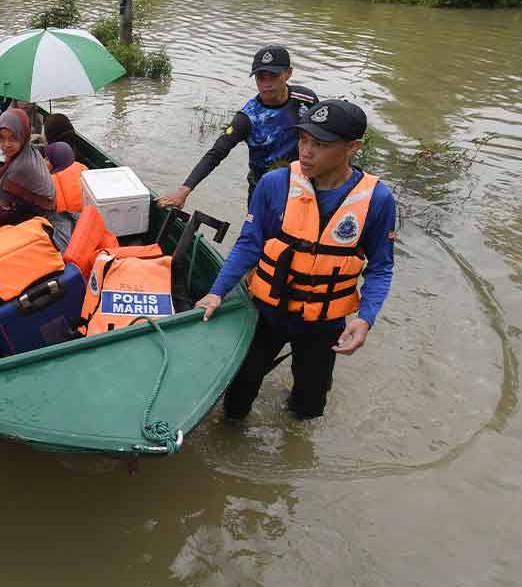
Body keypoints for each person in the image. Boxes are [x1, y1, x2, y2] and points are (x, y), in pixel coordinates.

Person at [197, 100, 396, 420]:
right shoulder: (274, 185)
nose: (306, 151)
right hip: (266, 314)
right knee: (237, 398)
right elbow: (249, 244)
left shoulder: (377, 200)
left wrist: (365, 318)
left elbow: (381, 267)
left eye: (320, 144)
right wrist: (216, 291)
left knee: (308, 407)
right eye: (303, 139)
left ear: (352, 147)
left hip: (323, 323)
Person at [158, 45, 318, 208]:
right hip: (264, 190)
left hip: (304, 185)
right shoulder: (247, 118)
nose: (267, 84)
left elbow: (326, 138)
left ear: (288, 73)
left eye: (273, 76)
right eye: (261, 77)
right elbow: (216, 152)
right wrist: (184, 191)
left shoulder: (306, 99)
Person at [0, 108, 54, 234]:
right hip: (41, 213)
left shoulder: (19, 169)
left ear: (23, 135)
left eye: (13, 138)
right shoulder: (30, 151)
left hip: (33, 223)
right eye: (2, 138)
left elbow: (3, 209)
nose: (6, 144)